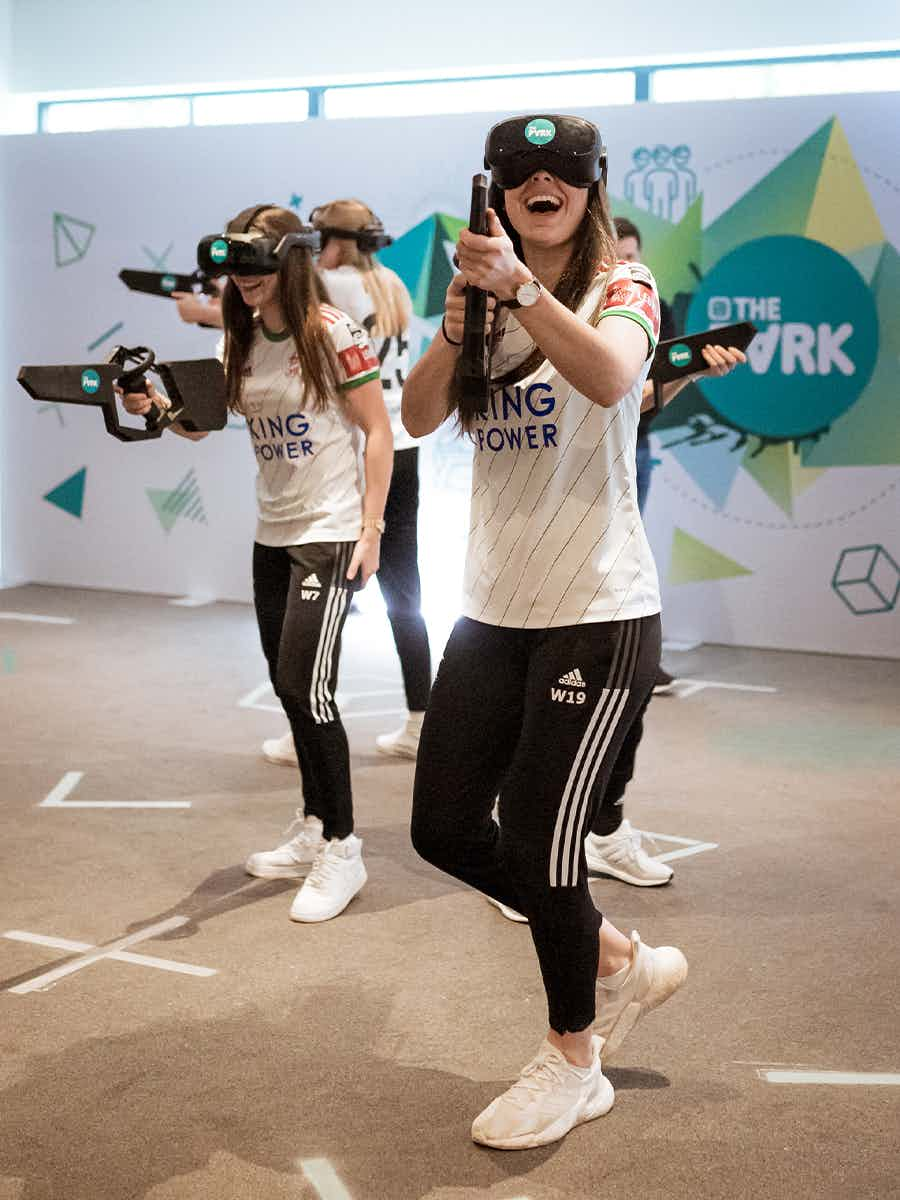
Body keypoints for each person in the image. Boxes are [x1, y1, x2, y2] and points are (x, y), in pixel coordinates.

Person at [403, 113, 689, 1150]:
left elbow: (613, 379)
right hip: (493, 611)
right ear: (496, 188)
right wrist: (461, 311)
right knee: (442, 827)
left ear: (590, 186)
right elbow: (419, 414)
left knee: (539, 839)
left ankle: (575, 1058)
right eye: (519, 171)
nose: (540, 183)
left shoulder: (622, 286)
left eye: (561, 170)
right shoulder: (481, 299)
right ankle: (615, 958)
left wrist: (521, 289)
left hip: (599, 612)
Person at [123, 204, 393, 923]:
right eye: (234, 269)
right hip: (272, 533)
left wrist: (371, 530)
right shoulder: (238, 341)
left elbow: (377, 432)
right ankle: (312, 825)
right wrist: (150, 405)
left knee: (310, 687)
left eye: (254, 266)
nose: (241, 280)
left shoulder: (331, 332)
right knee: (285, 684)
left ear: (289, 261)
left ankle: (343, 846)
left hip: (329, 531)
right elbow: (196, 424)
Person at [583, 216, 745, 888]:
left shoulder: (634, 308)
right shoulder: (547, 317)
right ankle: (542, 857)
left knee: (630, 692)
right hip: (542, 550)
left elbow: (632, 401)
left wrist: (687, 374)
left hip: (611, 546)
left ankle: (605, 828)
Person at [261, 199, 432, 765]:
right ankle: (419, 715)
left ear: (326, 242)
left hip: (361, 448)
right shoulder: (393, 286)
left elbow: (284, 318)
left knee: (325, 599)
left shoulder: (335, 287)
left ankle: (306, 720)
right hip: (403, 448)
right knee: (403, 594)